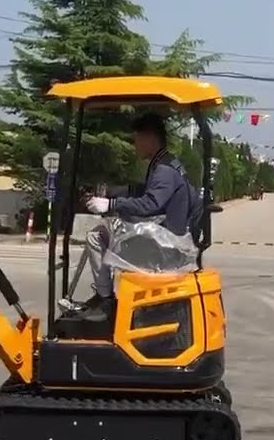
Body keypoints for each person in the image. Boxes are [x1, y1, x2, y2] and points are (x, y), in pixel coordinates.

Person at [79, 112, 200, 320]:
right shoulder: (166, 163)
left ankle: (105, 299)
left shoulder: (164, 170)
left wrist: (110, 204)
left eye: (137, 140)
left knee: (96, 237)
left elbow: (150, 204)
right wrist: (112, 192)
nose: (135, 145)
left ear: (149, 138)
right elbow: (144, 191)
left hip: (164, 247)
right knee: (109, 229)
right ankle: (105, 295)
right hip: (168, 237)